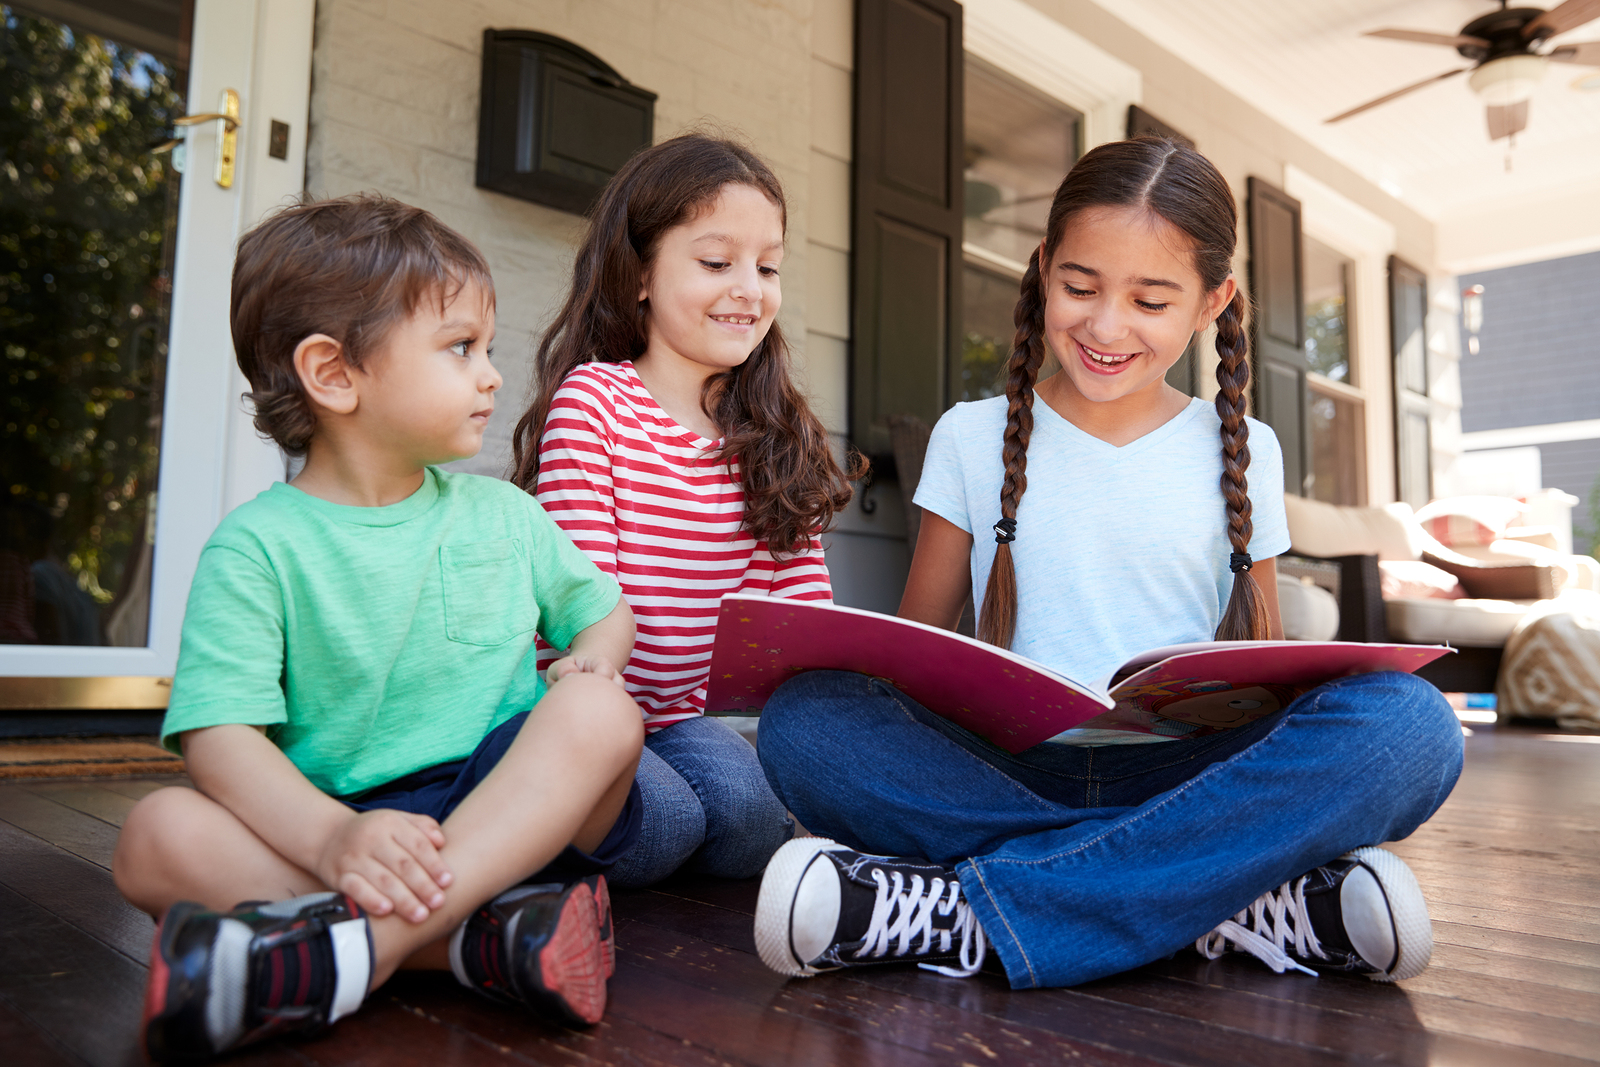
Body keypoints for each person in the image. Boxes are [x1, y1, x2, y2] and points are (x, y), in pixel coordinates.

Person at [751, 138, 1464, 991]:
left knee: (1411, 727)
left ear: (1211, 303)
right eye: (1079, 287)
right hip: (1008, 771)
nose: (1106, 326)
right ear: (1044, 267)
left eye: (1151, 300)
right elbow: (914, 648)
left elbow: (1269, 664)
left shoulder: (1247, 451)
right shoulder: (971, 436)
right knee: (805, 721)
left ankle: (963, 908)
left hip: (1187, 773)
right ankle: (1224, 898)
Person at [111, 195, 645, 1061]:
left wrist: (589, 661)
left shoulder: (502, 513)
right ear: (333, 374)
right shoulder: (256, 547)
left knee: (604, 712)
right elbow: (218, 735)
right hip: (336, 831)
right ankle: (477, 942)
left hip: (507, 812)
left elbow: (604, 613)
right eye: (460, 347)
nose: (492, 374)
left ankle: (356, 947)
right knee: (152, 837)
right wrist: (332, 834)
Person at [509, 134, 862, 889]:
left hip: (697, 724)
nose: (749, 288)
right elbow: (582, 605)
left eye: (767, 267)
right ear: (639, 275)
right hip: (592, 717)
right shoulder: (596, 404)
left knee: (746, 814)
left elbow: (799, 621)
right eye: (715, 262)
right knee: (667, 820)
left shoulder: (773, 431)